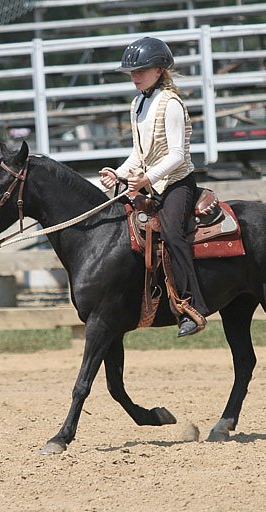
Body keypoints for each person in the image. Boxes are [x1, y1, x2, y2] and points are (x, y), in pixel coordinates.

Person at [99, 37, 208, 337]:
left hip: (176, 184)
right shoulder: (138, 104)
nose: (135, 75)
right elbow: (138, 153)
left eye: (142, 70)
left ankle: (191, 305)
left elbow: (177, 155)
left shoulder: (171, 103)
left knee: (173, 233)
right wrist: (118, 174)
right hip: (151, 184)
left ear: (159, 70)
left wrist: (146, 179)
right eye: (132, 71)